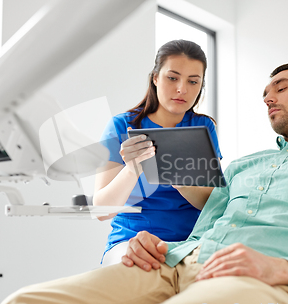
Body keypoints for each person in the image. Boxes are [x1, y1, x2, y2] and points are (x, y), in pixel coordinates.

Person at [0, 62, 288, 304]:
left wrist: (283, 269)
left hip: (261, 284)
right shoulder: (243, 165)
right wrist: (153, 243)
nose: (268, 98)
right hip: (172, 264)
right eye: (265, 92)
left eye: (281, 88)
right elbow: (205, 226)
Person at [94, 39, 222, 266]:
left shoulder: (203, 127)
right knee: (134, 275)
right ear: (155, 78)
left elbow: (213, 203)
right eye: (172, 78)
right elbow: (101, 210)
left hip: (192, 241)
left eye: (193, 81)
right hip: (131, 241)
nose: (182, 89)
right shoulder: (122, 126)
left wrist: (179, 178)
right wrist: (132, 169)